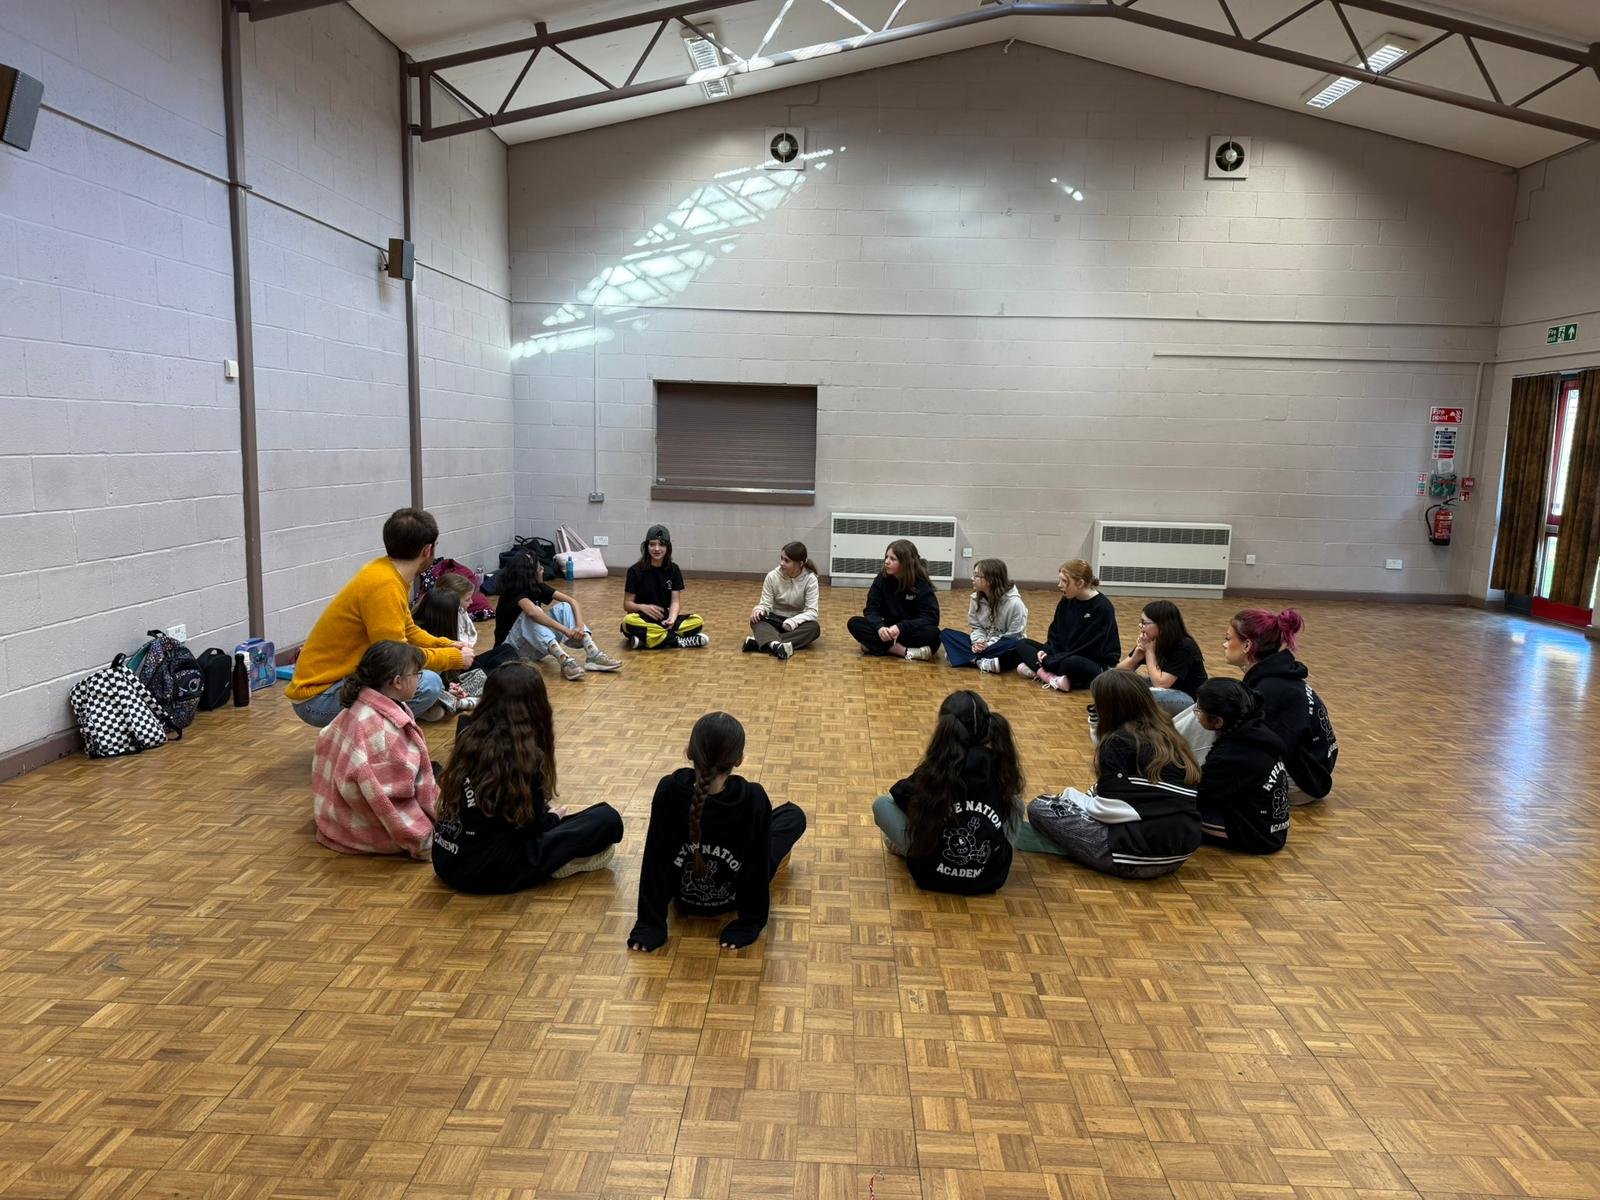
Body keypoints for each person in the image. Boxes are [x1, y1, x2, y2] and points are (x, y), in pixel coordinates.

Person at [431, 662, 624, 893]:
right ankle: (555, 863)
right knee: (607, 818)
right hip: (488, 873)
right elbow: (530, 830)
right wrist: (551, 818)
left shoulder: (467, 731)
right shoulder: (523, 756)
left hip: (445, 860)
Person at [627, 712, 807, 952]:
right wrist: (749, 923)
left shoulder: (668, 790)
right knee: (793, 816)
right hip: (733, 898)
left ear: (689, 752)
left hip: (682, 897)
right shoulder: (753, 798)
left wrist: (650, 924)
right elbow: (756, 867)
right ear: (739, 759)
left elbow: (655, 861)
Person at [286, 507, 472, 727]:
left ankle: (404, 712)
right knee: (428, 683)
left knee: (423, 679)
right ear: (427, 550)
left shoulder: (386, 571)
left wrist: (447, 645)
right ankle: (378, 732)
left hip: (334, 683)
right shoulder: (385, 585)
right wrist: (453, 658)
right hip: (318, 699)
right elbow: (397, 660)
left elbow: (409, 630)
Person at [1022, 670, 1202, 878]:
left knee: (1040, 806)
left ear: (1109, 707)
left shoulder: (1118, 742)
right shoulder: (1166, 732)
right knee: (1095, 790)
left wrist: (1071, 795)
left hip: (1135, 858)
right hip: (1177, 853)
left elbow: (1106, 810)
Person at [872, 690, 1024, 894]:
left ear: (944, 727)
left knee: (881, 804)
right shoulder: (999, 765)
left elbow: (898, 796)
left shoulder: (936, 767)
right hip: (988, 878)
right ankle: (989, 858)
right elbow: (1009, 804)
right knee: (1016, 803)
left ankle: (906, 849)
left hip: (930, 875)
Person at [311, 641, 440, 860]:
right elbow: (392, 803)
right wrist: (425, 840)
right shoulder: (381, 732)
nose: (420, 678)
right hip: (365, 830)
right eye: (417, 673)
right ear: (398, 682)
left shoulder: (360, 706)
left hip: (336, 817)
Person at [1218, 608, 1337, 803]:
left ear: (1247, 645)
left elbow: (1263, 750)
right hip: (1308, 770)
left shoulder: (1271, 689)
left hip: (1302, 780)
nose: (1224, 644)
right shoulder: (1275, 678)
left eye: (1228, 638)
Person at [487, 550, 621, 681]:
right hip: (511, 652)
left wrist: (579, 627)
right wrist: (565, 630)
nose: (542, 571)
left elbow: (572, 601)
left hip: (533, 648)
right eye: (539, 568)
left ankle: (593, 653)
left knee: (565, 607)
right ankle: (565, 661)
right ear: (530, 574)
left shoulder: (537, 586)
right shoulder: (513, 592)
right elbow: (533, 613)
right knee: (532, 614)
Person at [1192, 680, 1290, 853]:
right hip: (1271, 825)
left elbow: (1198, 792)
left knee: (1178, 814)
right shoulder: (1256, 730)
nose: (1196, 714)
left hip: (1256, 834)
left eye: (1198, 710)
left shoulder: (1232, 754)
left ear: (1218, 721)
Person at [992, 559, 1119, 692]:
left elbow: (1090, 648)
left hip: (1091, 659)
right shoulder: (1066, 600)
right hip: (1063, 653)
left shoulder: (1103, 607)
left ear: (1080, 583)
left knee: (1071, 663)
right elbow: (1055, 632)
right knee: (1022, 644)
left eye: (1064, 581)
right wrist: (1047, 651)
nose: (1059, 585)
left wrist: (1053, 658)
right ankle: (1049, 677)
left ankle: (1039, 670)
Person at [846, 540, 942, 660]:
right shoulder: (881, 579)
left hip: (908, 630)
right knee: (854, 623)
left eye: (893, 559)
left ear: (905, 562)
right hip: (887, 629)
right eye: (886, 557)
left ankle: (875, 646)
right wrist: (880, 627)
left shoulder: (920, 582)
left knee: (934, 634)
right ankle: (904, 651)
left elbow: (931, 617)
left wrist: (901, 627)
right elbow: (871, 610)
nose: (886, 562)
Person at [621, 524, 708, 649]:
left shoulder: (674, 569)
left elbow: (675, 602)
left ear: (668, 547)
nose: (657, 549)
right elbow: (627, 604)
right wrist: (642, 607)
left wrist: (672, 619)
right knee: (628, 622)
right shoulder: (635, 571)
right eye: (652, 544)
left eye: (661, 545)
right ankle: (677, 641)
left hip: (664, 620)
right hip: (642, 620)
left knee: (697, 620)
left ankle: (647, 640)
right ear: (646, 546)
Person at [1114, 600, 1207, 715]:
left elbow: (1161, 684)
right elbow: (1117, 673)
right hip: (1165, 691)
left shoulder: (1184, 646)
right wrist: (1136, 657)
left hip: (1190, 699)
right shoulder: (1152, 641)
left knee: (1140, 695)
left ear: (1162, 626)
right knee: (1114, 684)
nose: (1140, 626)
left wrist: (1149, 653)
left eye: (1144, 623)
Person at [939, 558, 1028, 672]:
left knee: (1018, 645)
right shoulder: (975, 599)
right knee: (946, 634)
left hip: (1001, 644)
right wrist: (978, 642)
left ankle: (965, 657)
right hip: (984, 645)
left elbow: (1014, 635)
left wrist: (988, 644)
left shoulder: (1015, 604)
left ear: (990, 580)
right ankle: (980, 662)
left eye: (976, 576)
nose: (972, 578)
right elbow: (976, 627)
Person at [745, 541, 822, 660]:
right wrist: (759, 609)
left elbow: (812, 611)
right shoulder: (772, 576)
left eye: (787, 560)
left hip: (796, 624)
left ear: (800, 563)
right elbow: (765, 604)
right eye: (781, 558)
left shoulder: (810, 579)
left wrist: (793, 621)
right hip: (774, 619)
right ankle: (776, 645)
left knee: (814, 628)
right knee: (756, 620)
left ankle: (763, 642)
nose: (781, 563)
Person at [411, 589, 480, 715]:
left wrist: (449, 686)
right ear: (447, 614)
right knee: (433, 683)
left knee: (482, 674)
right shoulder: (418, 636)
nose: (471, 602)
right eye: (457, 611)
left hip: (437, 683)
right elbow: (420, 675)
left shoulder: (438, 635)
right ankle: (455, 703)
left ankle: (445, 699)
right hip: (415, 684)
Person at [431, 571, 481, 643]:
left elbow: (470, 636)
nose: (471, 602)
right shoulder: (439, 621)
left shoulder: (460, 611)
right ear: (451, 602)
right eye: (467, 599)